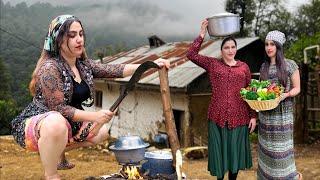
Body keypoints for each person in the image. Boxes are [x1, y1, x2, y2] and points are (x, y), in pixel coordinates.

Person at [11, 14, 169, 180]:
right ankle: (51, 174)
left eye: (80, 34)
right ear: (58, 40)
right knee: (56, 122)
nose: (79, 39)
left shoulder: (83, 65)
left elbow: (114, 69)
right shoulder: (50, 68)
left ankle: (57, 151)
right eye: (72, 36)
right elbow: (59, 109)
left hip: (68, 123)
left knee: (102, 131)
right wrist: (96, 115)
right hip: (38, 124)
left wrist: (149, 65)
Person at [186, 19, 257, 180]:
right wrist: (202, 34)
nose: (230, 50)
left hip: (240, 118)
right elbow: (191, 54)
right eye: (226, 47)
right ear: (221, 50)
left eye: (233, 47)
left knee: (235, 155)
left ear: (236, 49)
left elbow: (249, 93)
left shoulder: (244, 67)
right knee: (220, 156)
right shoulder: (213, 64)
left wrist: (253, 116)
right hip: (217, 117)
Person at [257, 30, 301, 180]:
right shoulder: (263, 67)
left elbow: (297, 88)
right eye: (267, 44)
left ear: (279, 47)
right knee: (267, 150)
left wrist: (286, 94)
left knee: (281, 152)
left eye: (272, 44)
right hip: (266, 115)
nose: (269, 47)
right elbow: (262, 89)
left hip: (283, 115)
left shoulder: (290, 65)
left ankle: (290, 177)